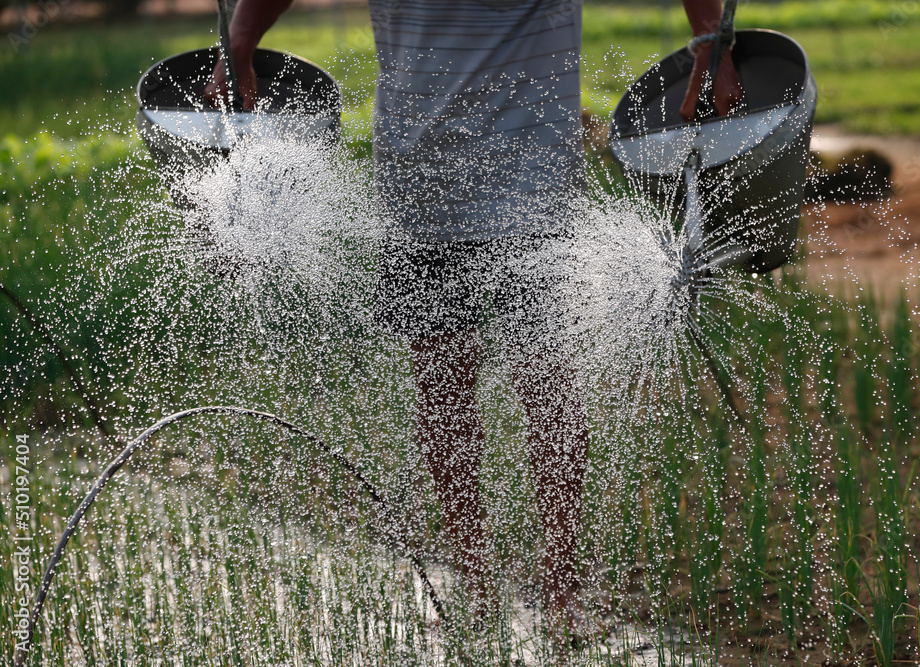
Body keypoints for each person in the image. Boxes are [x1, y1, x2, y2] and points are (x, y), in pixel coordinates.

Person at [207, 0, 742, 643]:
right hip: (420, 176)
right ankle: (475, 580)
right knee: (443, 386)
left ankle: (562, 587)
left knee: (548, 378)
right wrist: (240, 37)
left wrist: (712, 41)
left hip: (532, 170)